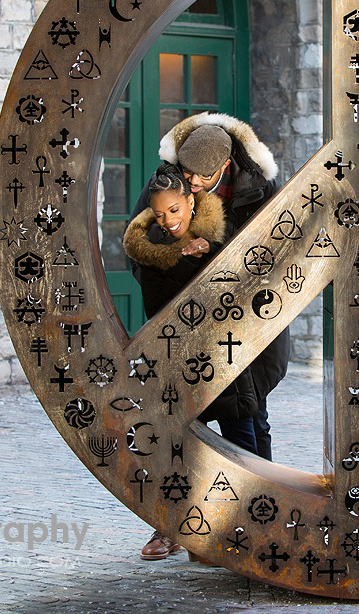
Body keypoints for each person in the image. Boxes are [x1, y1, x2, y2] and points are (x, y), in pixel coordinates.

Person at [129, 113, 290, 462]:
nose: (194, 182)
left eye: (204, 175)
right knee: (187, 420)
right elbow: (138, 246)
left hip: (247, 321)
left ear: (226, 165)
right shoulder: (164, 184)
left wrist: (215, 249)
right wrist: (175, 290)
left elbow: (278, 250)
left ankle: (258, 497)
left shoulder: (262, 188)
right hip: (188, 323)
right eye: (188, 173)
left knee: (250, 417)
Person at [123, 163, 259, 561]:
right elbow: (157, 310)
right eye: (161, 214)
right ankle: (175, 528)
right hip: (179, 366)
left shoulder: (219, 234)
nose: (169, 221)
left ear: (191, 201)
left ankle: (241, 530)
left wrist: (210, 253)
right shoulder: (151, 252)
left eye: (176, 211)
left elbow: (240, 285)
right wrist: (181, 259)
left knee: (242, 448)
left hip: (227, 358)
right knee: (178, 452)